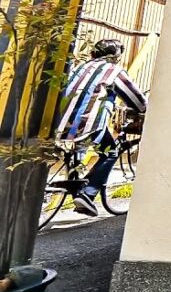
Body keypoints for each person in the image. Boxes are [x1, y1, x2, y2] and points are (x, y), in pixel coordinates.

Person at [55, 38, 148, 217]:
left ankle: (76, 188)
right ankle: (88, 193)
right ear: (116, 56)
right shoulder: (114, 71)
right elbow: (138, 102)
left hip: (59, 123)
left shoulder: (80, 67)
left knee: (77, 151)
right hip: (85, 125)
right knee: (111, 151)